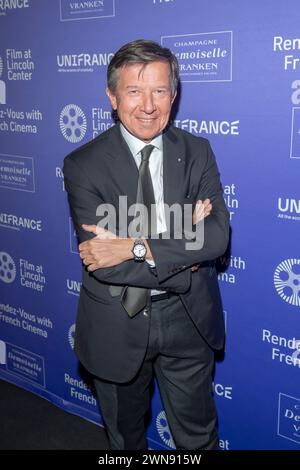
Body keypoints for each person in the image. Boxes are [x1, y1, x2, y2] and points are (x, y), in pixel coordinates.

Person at [63, 39, 229, 451]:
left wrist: (134, 245)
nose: (148, 106)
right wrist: (182, 244)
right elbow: (105, 262)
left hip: (189, 318)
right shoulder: (82, 165)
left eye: (159, 91)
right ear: (112, 96)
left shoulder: (197, 152)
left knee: (199, 438)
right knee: (125, 440)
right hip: (116, 320)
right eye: (134, 91)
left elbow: (216, 237)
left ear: (174, 95)